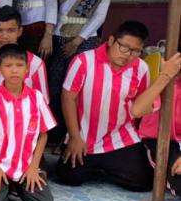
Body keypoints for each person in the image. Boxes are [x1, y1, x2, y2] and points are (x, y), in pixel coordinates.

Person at [57, 21, 181, 192]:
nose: (128, 55)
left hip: (120, 139)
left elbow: (139, 107)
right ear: (111, 41)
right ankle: (102, 168)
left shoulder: (141, 68)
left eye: (135, 51)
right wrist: (74, 137)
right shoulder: (84, 61)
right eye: (124, 47)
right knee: (68, 176)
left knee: (143, 182)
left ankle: (102, 169)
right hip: (84, 137)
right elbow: (68, 98)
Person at [0, 44, 56, 201]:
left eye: (19, 65)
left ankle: (17, 187)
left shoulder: (37, 98)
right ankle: (6, 186)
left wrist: (34, 167)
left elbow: (43, 134)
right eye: (8, 66)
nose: (14, 70)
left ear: (27, 69)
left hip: (26, 165)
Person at [47, 0, 113, 135]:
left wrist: (77, 41)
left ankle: (76, 135)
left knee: (79, 89)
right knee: (55, 86)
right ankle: (57, 134)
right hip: (58, 37)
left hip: (85, 40)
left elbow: (99, 17)